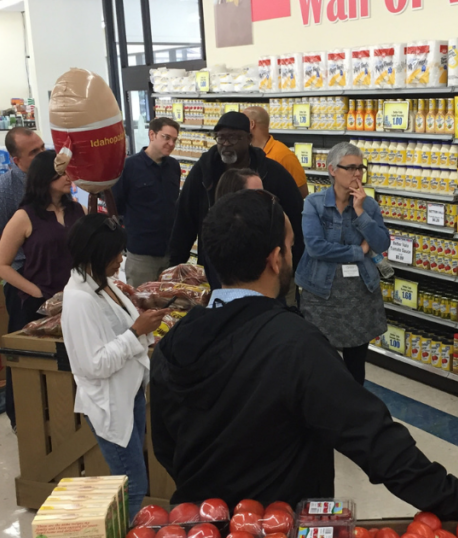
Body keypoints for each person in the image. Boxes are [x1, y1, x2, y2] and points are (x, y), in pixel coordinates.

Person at [150, 190, 458, 518]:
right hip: (280, 523)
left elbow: (164, 446)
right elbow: (373, 438)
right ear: (275, 260)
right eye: (288, 246)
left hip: (200, 523)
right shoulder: (295, 344)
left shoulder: (172, 342)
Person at [61, 213, 169, 522]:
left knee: (129, 479)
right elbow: (93, 364)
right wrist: (136, 331)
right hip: (109, 401)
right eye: (114, 253)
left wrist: (144, 321)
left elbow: (122, 329)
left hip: (130, 392)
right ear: (94, 254)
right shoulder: (79, 299)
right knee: (132, 484)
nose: (120, 259)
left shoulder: (105, 283)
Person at [167, 111, 305, 295]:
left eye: (233, 138)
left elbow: (296, 219)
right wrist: (176, 267)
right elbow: (184, 220)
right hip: (218, 272)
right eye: (221, 138)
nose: (225, 145)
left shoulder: (272, 173)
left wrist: (291, 269)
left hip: (265, 272)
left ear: (248, 139)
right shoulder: (204, 173)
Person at [296, 143, 389, 385]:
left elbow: (380, 243)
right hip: (321, 295)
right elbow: (315, 247)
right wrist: (358, 251)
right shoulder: (314, 203)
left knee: (356, 366)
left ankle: (353, 414)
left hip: (360, 294)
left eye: (360, 168)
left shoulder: (368, 205)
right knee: (320, 362)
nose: (357, 174)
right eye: (350, 168)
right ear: (332, 170)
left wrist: (360, 212)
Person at [0, 126, 45, 429]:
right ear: (15, 159)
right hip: (21, 284)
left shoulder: (52, 186)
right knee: (23, 351)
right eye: (34, 152)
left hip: (53, 283)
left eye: (43, 147)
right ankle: (21, 420)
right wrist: (21, 281)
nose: (43, 155)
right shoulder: (3, 192)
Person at [0, 150, 86, 324]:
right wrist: (35, 291)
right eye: (61, 173)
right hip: (40, 304)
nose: (68, 177)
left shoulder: (79, 211)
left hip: (78, 298)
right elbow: (0, 264)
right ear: (44, 177)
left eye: (69, 172)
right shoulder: (24, 216)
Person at [112, 117, 182, 287]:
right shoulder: (129, 167)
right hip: (142, 255)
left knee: (168, 305)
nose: (171, 143)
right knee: (141, 303)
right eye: (166, 137)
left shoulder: (174, 166)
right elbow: (116, 206)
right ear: (152, 135)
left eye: (174, 139)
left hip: (169, 252)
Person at [244, 106, 309, 198]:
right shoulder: (246, 154)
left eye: (242, 122)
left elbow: (302, 193)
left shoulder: (284, 155)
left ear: (251, 124)